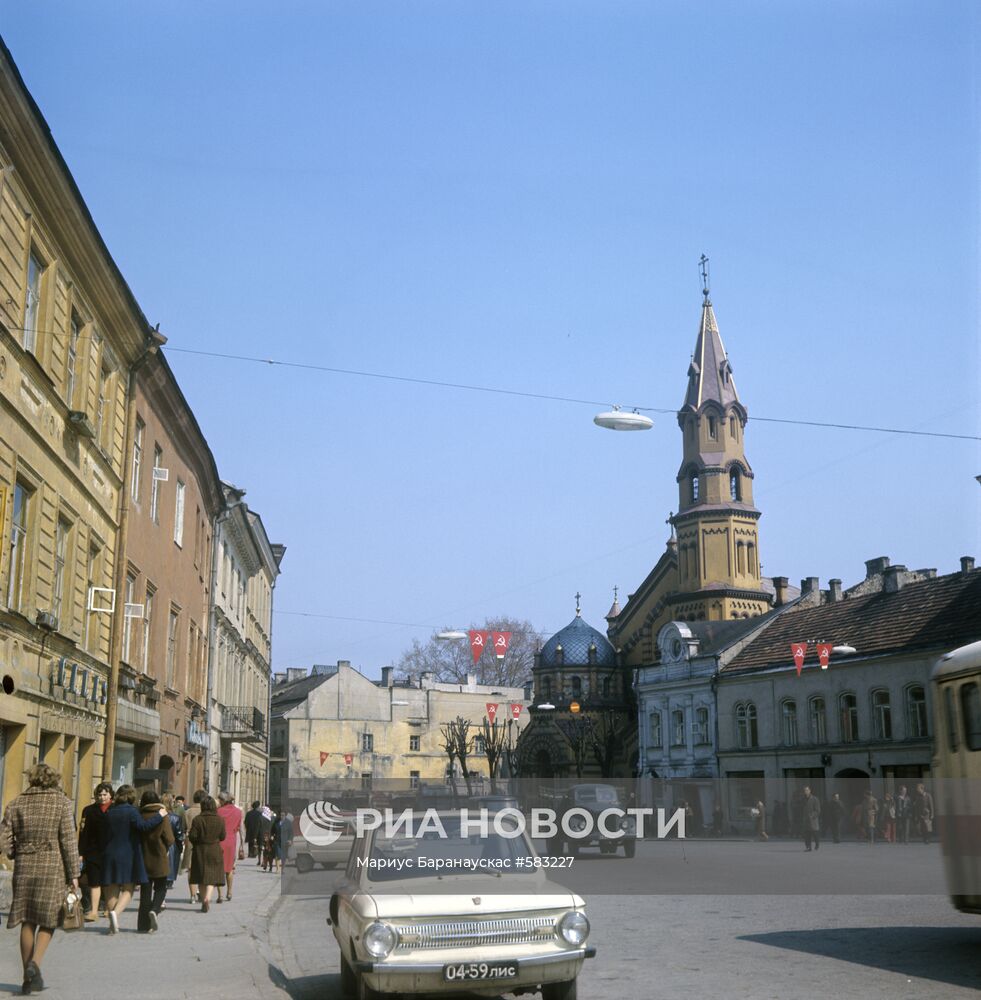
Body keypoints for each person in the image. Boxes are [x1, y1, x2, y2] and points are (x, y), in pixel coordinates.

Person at [1, 765, 81, 995]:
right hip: (53, 868)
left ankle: (28, 978)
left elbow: (3, 840)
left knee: (27, 919)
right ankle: (35, 963)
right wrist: (74, 873)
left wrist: (16, 852)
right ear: (54, 780)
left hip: (24, 868)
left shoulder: (16, 803)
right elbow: (68, 841)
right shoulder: (62, 803)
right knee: (49, 918)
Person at [100, 784, 166, 934]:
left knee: (112, 887)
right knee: (128, 887)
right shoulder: (132, 811)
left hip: (109, 852)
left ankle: (112, 923)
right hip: (127, 853)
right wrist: (159, 816)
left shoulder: (110, 811)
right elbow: (143, 826)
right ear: (131, 796)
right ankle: (115, 914)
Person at [137, 790, 175, 933]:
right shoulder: (162, 815)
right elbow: (170, 838)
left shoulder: (140, 814)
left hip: (143, 857)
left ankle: (142, 926)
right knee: (160, 888)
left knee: (145, 893)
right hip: (159, 857)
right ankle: (155, 909)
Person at [77, 782, 112, 921]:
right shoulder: (89, 810)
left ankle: (109, 908)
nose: (102, 797)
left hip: (110, 850)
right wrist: (81, 853)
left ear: (110, 795)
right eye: (99, 794)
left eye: (105, 794)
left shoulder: (115, 809)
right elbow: (83, 832)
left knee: (108, 882)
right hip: (93, 851)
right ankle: (94, 910)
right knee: (94, 881)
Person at [188, 796, 225, 912]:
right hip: (215, 849)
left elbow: (193, 836)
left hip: (200, 850)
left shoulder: (197, 819)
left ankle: (203, 898)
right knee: (212, 877)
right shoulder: (220, 819)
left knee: (201, 877)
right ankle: (207, 899)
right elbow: (223, 836)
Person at [216, 792, 244, 902]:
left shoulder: (218, 812)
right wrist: (242, 844)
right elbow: (239, 827)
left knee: (219, 869)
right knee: (230, 869)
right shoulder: (238, 812)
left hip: (220, 840)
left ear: (223, 801)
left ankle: (220, 895)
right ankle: (230, 892)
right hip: (232, 841)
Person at [180, 789, 205, 902]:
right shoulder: (205, 811)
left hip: (190, 841)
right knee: (202, 868)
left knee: (191, 869)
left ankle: (192, 895)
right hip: (203, 841)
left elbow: (184, 828)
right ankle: (200, 891)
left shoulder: (187, 812)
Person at [802, 786, 821, 851]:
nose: (805, 792)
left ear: (810, 791)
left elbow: (818, 810)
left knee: (815, 833)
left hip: (813, 820)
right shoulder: (803, 799)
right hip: (805, 820)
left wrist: (812, 816)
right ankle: (808, 847)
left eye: (807, 790)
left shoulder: (815, 799)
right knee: (807, 834)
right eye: (804, 790)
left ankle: (817, 844)